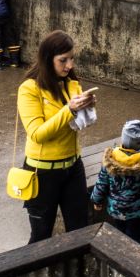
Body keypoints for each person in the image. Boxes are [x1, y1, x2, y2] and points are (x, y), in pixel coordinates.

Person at [18, 30, 97, 243]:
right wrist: (69, 110)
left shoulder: (71, 84)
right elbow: (37, 134)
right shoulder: (29, 89)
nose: (69, 65)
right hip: (42, 172)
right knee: (41, 234)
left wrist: (87, 109)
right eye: (63, 60)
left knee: (80, 231)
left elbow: (78, 125)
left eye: (71, 59)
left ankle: (76, 275)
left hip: (73, 166)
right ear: (47, 58)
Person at [91, 118, 140, 242]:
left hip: (116, 209)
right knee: (134, 237)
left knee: (119, 233)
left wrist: (96, 200)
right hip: (136, 212)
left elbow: (102, 182)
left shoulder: (110, 158)